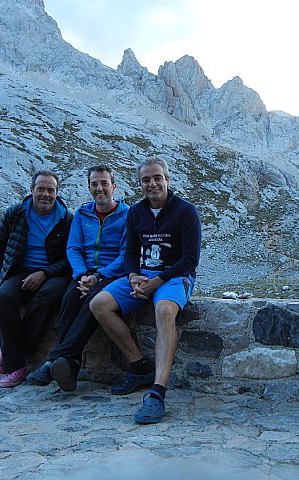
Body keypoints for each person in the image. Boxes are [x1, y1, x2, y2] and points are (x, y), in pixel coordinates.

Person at [89, 156, 201, 424]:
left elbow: (190, 259)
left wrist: (157, 282)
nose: (152, 184)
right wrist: (133, 277)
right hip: (143, 276)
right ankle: (138, 365)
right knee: (98, 304)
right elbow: (129, 252)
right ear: (140, 184)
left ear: (167, 180)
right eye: (146, 179)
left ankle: (157, 393)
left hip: (175, 277)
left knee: (164, 309)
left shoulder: (186, 211)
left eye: (157, 178)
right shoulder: (136, 213)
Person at [26, 165, 129, 391]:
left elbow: (126, 255)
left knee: (92, 303)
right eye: (94, 184)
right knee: (69, 299)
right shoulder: (82, 214)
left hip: (111, 275)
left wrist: (99, 275)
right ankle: (69, 366)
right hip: (84, 273)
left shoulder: (127, 215)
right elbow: (73, 247)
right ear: (89, 187)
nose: (99, 188)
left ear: (114, 186)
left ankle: (55, 359)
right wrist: (82, 275)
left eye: (104, 183)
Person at [0, 171, 73, 388]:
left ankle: (10, 347)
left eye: (50, 190)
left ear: (57, 193)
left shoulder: (67, 218)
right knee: (4, 299)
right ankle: (16, 366)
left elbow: (70, 257)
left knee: (49, 296)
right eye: (41, 189)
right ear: (31, 190)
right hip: (19, 272)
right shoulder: (14, 214)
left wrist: (44, 273)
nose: (45, 194)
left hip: (53, 274)